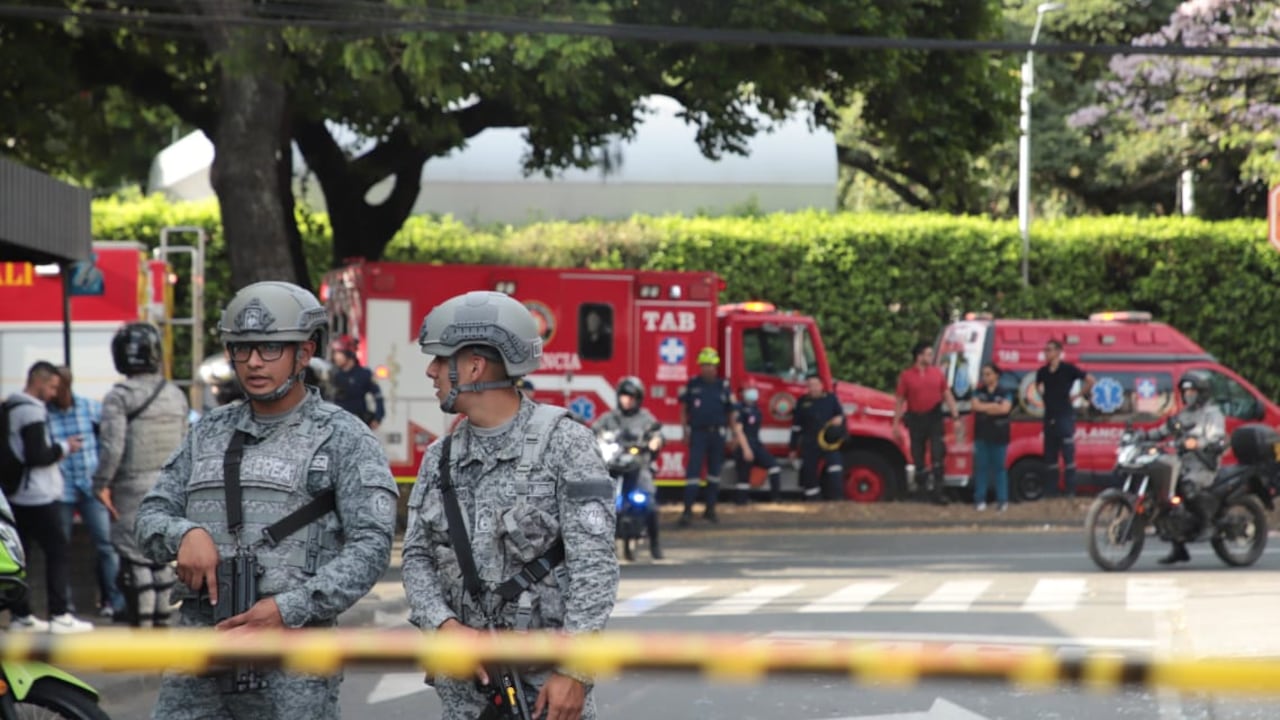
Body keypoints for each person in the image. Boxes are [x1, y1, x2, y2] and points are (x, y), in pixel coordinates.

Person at [135, 281, 398, 719]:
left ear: (305, 352)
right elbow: (150, 516)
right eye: (242, 348)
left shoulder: (344, 437)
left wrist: (289, 608)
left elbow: (371, 548)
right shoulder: (208, 431)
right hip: (203, 646)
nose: (253, 362)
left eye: (271, 348)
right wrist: (184, 533)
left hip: (293, 656)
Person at [402, 290, 619, 720]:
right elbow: (416, 557)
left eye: (441, 360)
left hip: (544, 693)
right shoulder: (439, 457)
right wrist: (445, 628)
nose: (431, 370)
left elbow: (594, 566)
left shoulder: (566, 444)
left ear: (474, 366)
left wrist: (575, 673)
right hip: (464, 693)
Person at [94, 322, 190, 627]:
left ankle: (144, 628)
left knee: (135, 560)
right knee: (161, 558)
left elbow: (112, 447)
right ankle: (163, 623)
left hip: (130, 488)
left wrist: (100, 483)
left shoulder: (119, 396)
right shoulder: (175, 394)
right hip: (170, 487)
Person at [4, 361, 93, 632]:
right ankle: (60, 613)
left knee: (23, 557)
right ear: (39, 382)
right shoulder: (31, 410)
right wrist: (65, 447)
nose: (55, 393)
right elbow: (37, 455)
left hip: (17, 494)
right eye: (52, 386)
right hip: (38, 496)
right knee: (57, 552)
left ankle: (21, 615)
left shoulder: (9, 406)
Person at [47, 366, 126, 621]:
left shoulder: (88, 407)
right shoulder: (45, 413)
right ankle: (64, 606)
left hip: (92, 484)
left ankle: (114, 601)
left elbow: (109, 438)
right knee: (60, 547)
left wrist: (107, 479)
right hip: (62, 487)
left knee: (106, 544)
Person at [1141, 370, 1226, 565]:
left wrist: (1197, 443)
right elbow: (1165, 430)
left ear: (1202, 392)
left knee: (1188, 487)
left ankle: (1207, 524)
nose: (1188, 395)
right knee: (1165, 498)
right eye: (1186, 392)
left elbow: (1217, 439)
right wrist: (1144, 436)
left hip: (1204, 465)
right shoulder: (1185, 414)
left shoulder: (1212, 414)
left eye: (1192, 391)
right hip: (1183, 463)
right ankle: (1178, 548)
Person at [593, 376, 664, 559]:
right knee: (596, 500)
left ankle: (655, 544)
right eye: (624, 395)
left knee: (649, 503)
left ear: (639, 398)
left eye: (632, 396)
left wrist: (656, 440)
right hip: (613, 466)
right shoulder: (609, 418)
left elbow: (657, 433)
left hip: (638, 467)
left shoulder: (645, 418)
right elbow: (594, 431)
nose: (628, 399)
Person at [892, 342, 959, 504]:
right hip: (916, 417)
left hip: (934, 416)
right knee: (918, 454)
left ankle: (938, 491)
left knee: (937, 453)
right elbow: (900, 400)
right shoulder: (907, 376)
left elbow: (947, 394)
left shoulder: (937, 374)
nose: (930, 357)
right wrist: (895, 423)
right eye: (928, 354)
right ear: (919, 356)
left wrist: (955, 415)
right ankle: (921, 491)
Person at [679, 347, 733, 526]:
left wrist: (733, 435)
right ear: (700, 366)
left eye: (711, 365)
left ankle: (710, 509)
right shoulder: (693, 384)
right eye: (704, 365)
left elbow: (730, 413)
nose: (708, 368)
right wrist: (684, 430)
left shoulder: (723, 386)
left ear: (716, 367)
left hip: (717, 434)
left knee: (714, 474)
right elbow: (684, 409)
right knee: (693, 473)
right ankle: (687, 511)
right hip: (698, 433)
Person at [1035, 339, 1096, 498]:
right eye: (1045, 350)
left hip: (1064, 415)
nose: (1046, 353)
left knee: (1068, 455)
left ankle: (1070, 490)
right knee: (1050, 457)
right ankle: (1051, 491)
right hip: (1050, 416)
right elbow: (1037, 386)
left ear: (1058, 352)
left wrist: (1077, 395)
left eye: (1049, 350)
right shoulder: (1043, 371)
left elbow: (1090, 379)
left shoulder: (1068, 369)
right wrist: (1045, 397)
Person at [789, 375, 845, 501]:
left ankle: (837, 500)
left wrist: (840, 419)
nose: (813, 388)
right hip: (810, 443)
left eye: (815, 385)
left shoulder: (831, 399)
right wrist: (792, 448)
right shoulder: (802, 402)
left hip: (828, 443)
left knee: (835, 469)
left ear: (821, 386)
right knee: (809, 473)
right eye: (810, 386)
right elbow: (796, 427)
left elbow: (840, 415)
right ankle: (813, 501)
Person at [970, 362, 1014, 512]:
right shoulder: (979, 391)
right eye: (984, 374)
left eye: (988, 374)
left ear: (996, 375)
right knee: (981, 468)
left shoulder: (1005, 391)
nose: (985, 377)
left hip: (999, 435)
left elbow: (1005, 409)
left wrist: (986, 408)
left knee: (1000, 468)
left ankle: (1002, 500)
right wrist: (993, 407)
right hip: (982, 434)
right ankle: (980, 499)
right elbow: (975, 406)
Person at [731, 383, 781, 504]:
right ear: (743, 393)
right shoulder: (740, 409)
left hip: (756, 445)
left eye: (754, 389)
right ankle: (741, 502)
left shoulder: (756, 409)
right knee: (743, 478)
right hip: (744, 445)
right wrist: (746, 449)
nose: (752, 392)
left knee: (774, 467)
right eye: (749, 389)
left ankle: (775, 499)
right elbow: (738, 430)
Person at [328, 335, 385, 429]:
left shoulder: (364, 374)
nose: (335, 357)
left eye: (339, 353)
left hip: (358, 424)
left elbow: (378, 396)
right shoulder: (333, 375)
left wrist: (378, 418)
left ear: (349, 354)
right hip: (336, 423)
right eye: (335, 353)